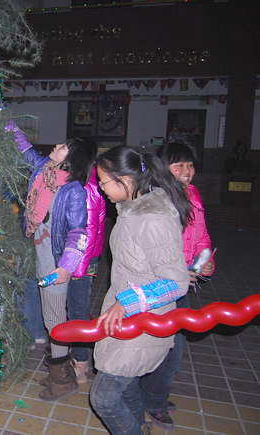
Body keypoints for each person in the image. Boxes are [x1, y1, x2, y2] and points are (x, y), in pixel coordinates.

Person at [90, 146, 192, 435]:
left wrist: (127, 302)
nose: (100, 188)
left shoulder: (152, 220)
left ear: (126, 180)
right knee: (129, 388)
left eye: (103, 181)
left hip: (145, 321)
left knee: (104, 399)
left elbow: (175, 282)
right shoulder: (131, 213)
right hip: (127, 317)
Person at [11, 125, 92, 401]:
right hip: (41, 256)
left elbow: (79, 232)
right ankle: (59, 373)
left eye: (64, 145)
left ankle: (63, 381)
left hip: (56, 264)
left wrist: (65, 267)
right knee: (51, 319)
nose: (57, 145)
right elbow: (25, 151)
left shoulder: (74, 191)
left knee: (55, 320)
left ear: (71, 158)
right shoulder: (45, 170)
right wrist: (10, 126)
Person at [138, 142, 215, 430]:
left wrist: (205, 262)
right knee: (168, 350)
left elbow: (202, 237)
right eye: (178, 165)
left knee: (169, 349)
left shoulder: (192, 195)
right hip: (160, 286)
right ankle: (153, 401)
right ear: (163, 167)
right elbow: (146, 250)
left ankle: (151, 394)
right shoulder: (154, 201)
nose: (186, 171)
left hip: (181, 285)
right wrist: (178, 271)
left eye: (190, 165)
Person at [67, 139, 106, 384]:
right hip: (82, 258)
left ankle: (80, 363)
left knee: (78, 308)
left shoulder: (86, 187)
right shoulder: (85, 183)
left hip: (82, 259)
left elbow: (87, 231)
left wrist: (78, 269)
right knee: (77, 306)